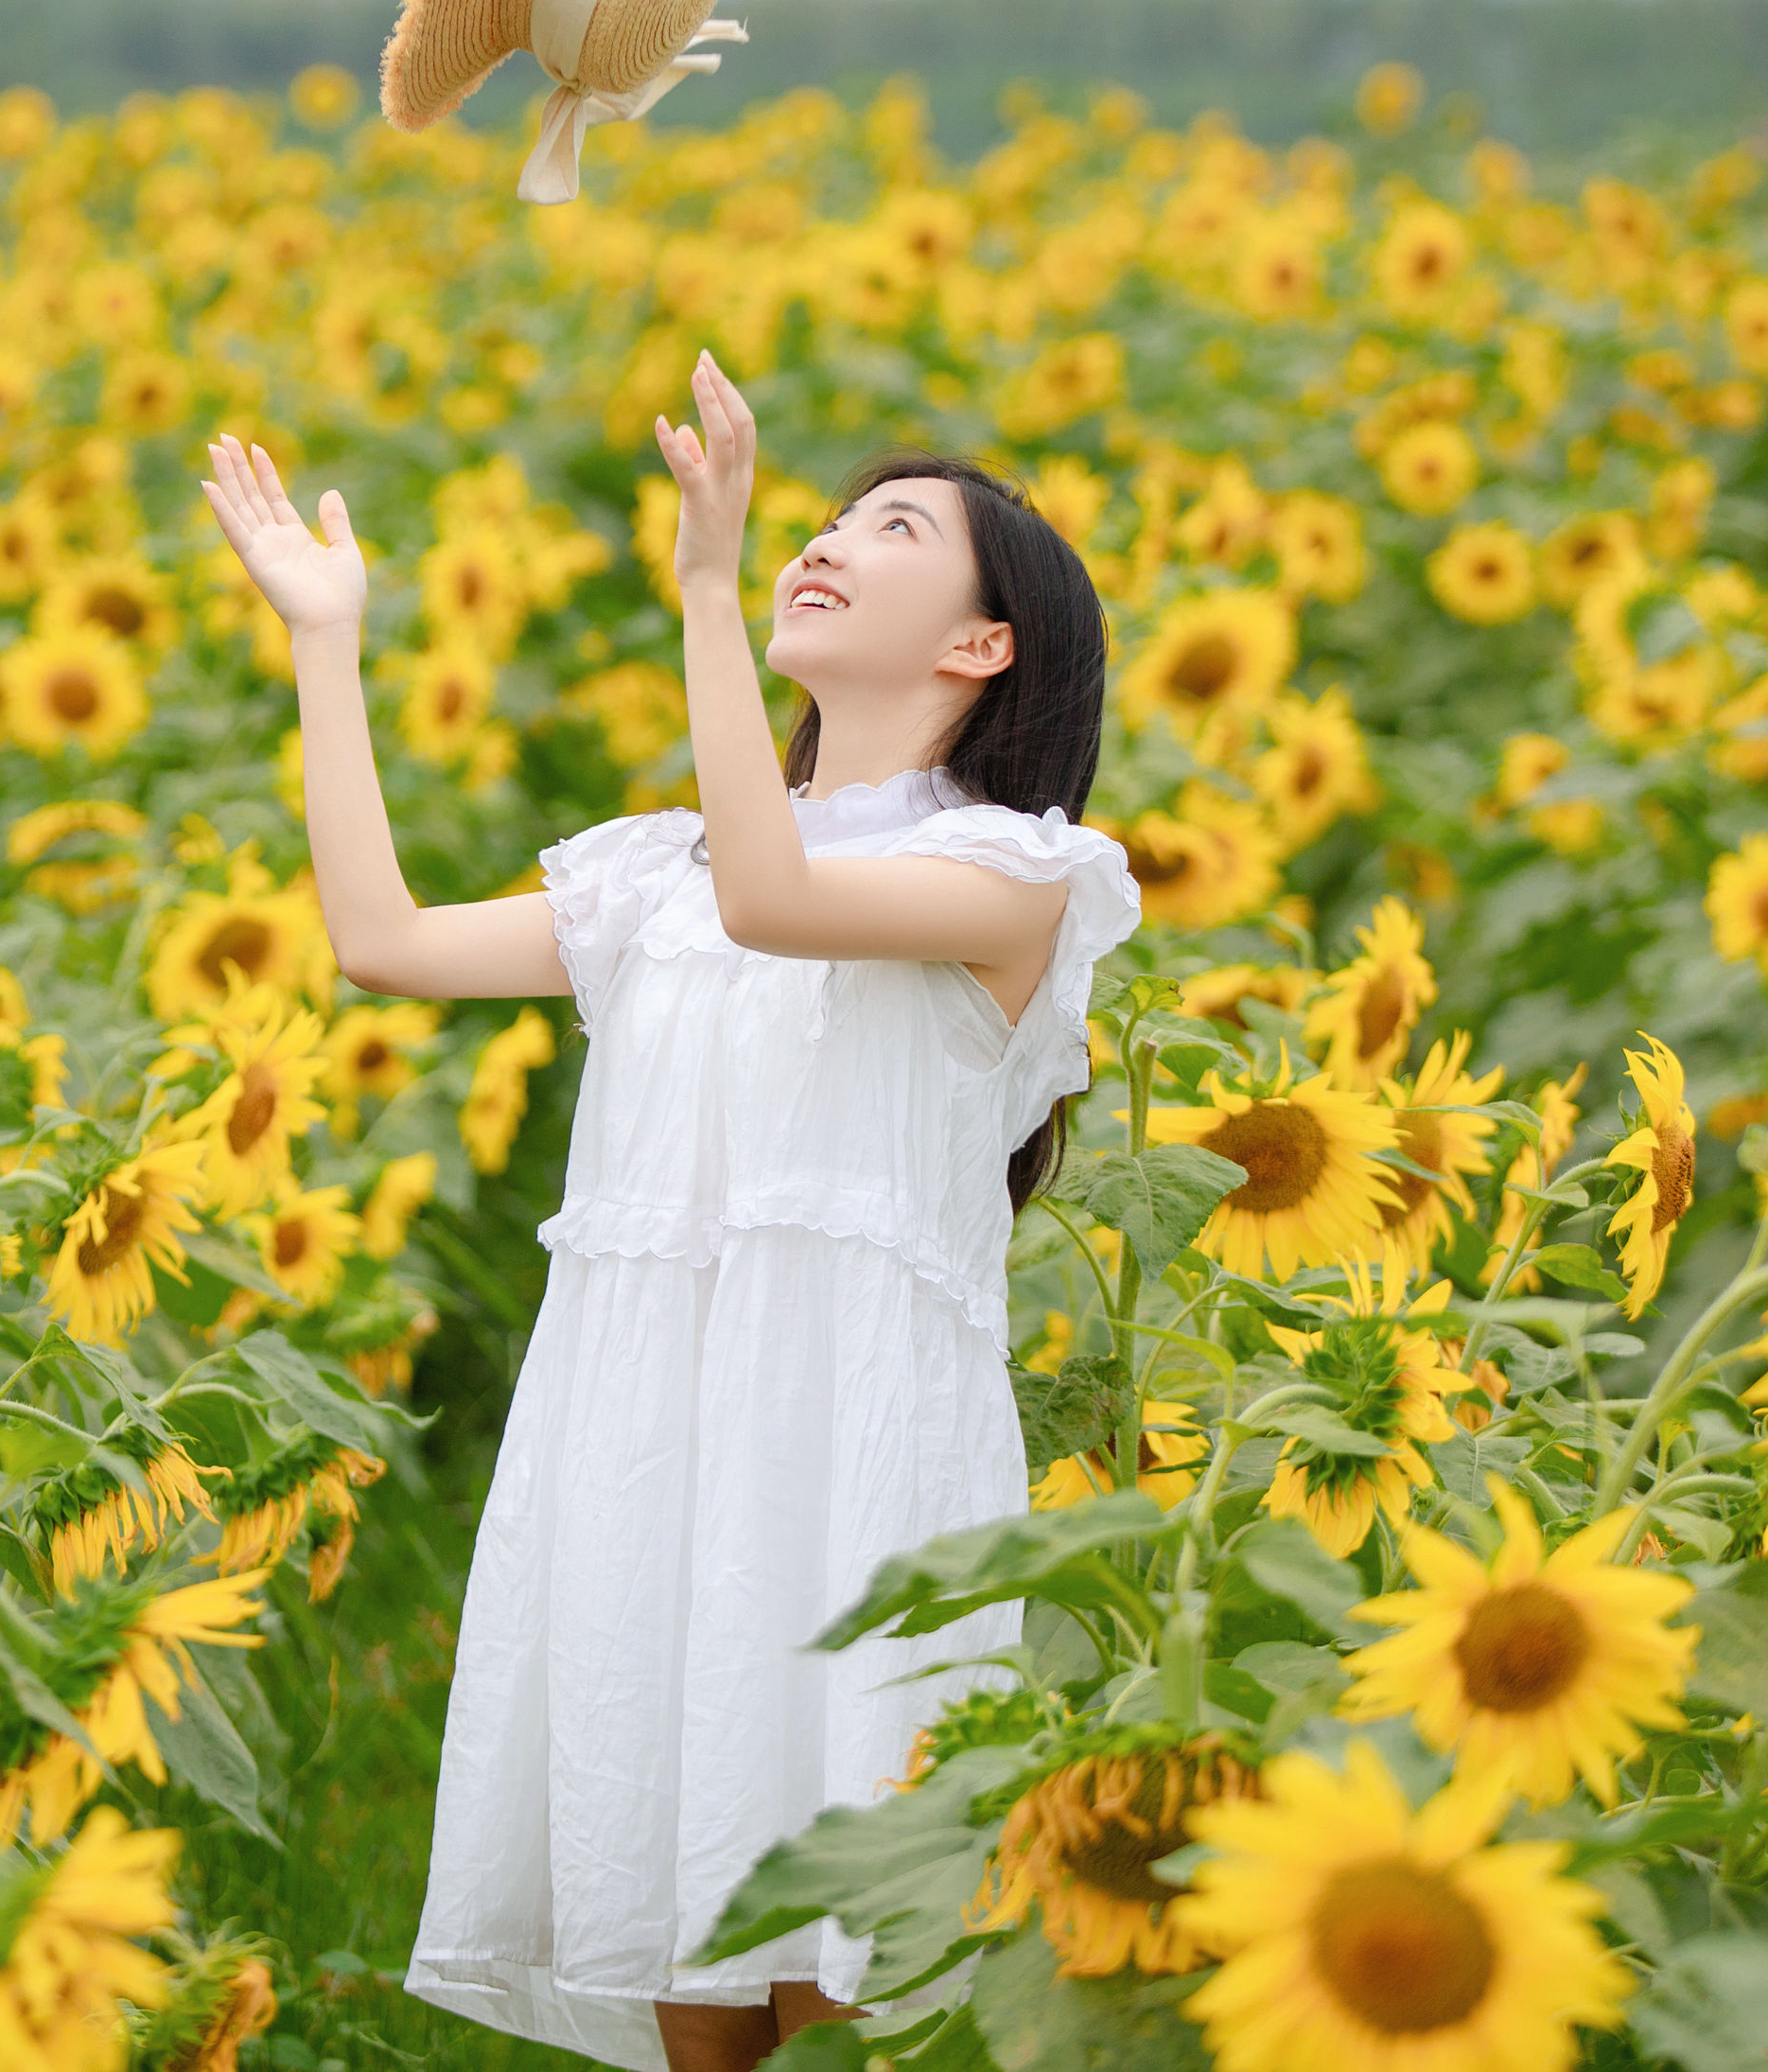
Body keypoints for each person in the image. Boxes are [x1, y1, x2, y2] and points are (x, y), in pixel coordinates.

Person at [197, 352, 1142, 2072]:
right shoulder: (657, 878)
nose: (825, 541)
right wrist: (323, 640)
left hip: (854, 1439)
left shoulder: (1016, 872)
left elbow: (783, 897)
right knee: (686, 1941)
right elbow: (382, 943)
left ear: (979, 644)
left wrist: (705, 590)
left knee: (853, 1961)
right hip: (649, 1428)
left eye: (894, 526)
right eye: (827, 519)